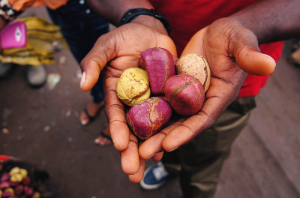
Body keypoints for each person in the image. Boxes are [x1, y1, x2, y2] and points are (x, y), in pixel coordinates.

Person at [79, 0, 300, 197]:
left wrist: (244, 26)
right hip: (151, 39)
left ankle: (197, 189)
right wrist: (138, 15)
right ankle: (171, 167)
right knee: (169, 145)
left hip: (225, 75)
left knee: (203, 162)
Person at [0, 0, 112, 145]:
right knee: (85, 59)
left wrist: (7, 10)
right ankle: (99, 98)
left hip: (81, 5)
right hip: (56, 4)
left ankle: (114, 113)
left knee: (98, 62)